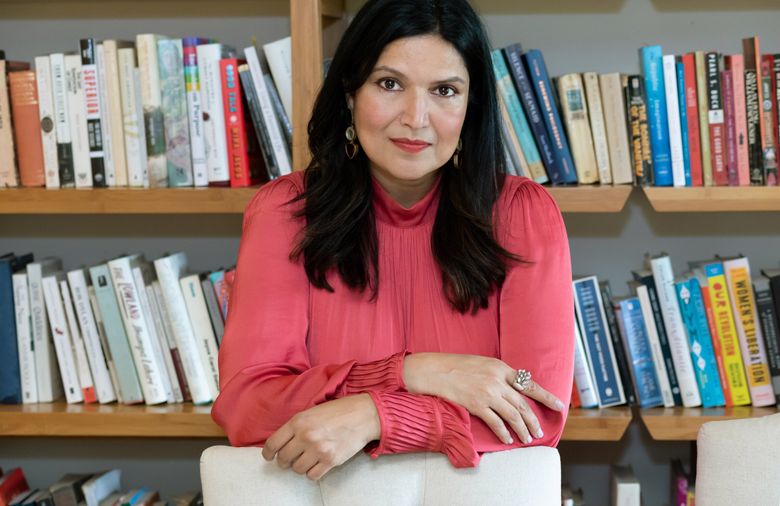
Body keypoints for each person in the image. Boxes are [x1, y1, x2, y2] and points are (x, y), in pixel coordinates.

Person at [211, 0, 574, 483]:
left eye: (445, 90)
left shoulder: (522, 216)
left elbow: (537, 412)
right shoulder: (286, 213)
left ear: (471, 108)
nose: (416, 117)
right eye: (389, 84)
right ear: (350, 92)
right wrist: (415, 372)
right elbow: (247, 405)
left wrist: (374, 415)